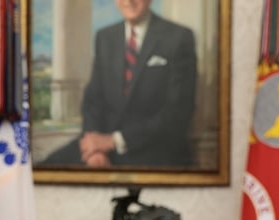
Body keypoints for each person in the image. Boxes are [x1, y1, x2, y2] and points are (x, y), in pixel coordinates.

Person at [40, 0, 197, 168]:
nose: (128, 1)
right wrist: (95, 150)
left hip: (154, 150)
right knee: (41, 170)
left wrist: (115, 141)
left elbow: (177, 113)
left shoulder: (178, 38)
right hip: (103, 148)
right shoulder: (105, 37)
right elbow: (93, 100)